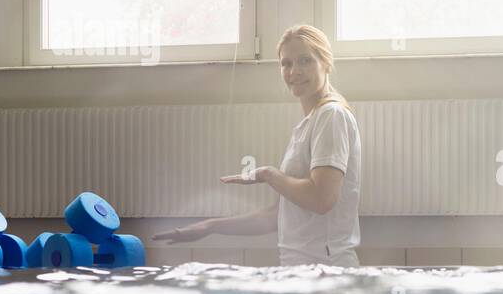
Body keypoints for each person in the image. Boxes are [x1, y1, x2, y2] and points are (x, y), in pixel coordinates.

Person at [152, 25, 362, 267]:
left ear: (326, 63)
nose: (294, 71)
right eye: (286, 63)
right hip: (302, 267)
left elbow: (321, 199)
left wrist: (268, 174)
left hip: (326, 267)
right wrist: (209, 226)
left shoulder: (330, 115)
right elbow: (275, 217)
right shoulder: (308, 124)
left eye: (305, 60)